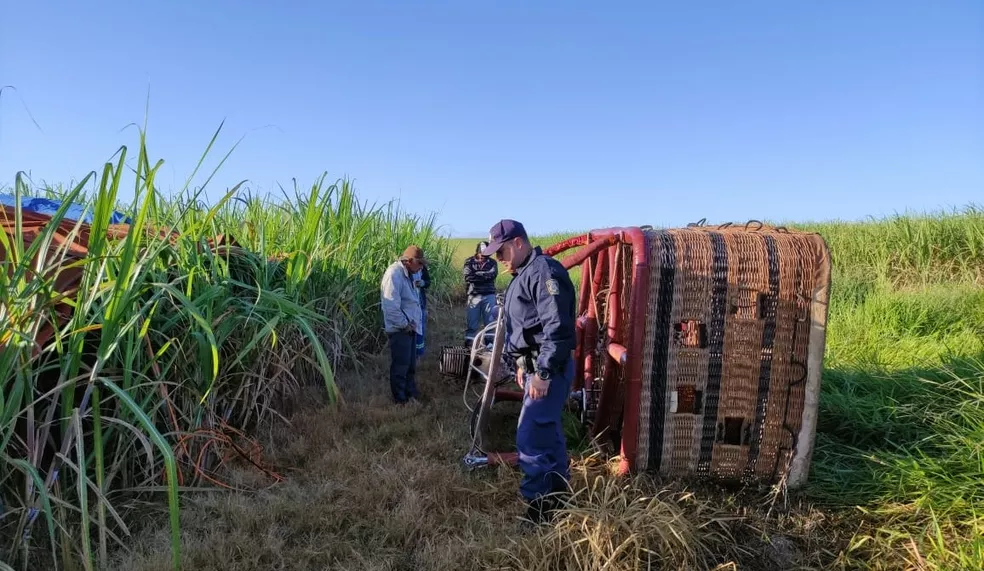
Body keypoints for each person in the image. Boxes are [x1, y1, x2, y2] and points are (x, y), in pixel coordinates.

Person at [481, 219, 577, 524]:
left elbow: (557, 328)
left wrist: (543, 373)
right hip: (536, 367)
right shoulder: (524, 274)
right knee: (547, 432)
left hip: (549, 369)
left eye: (502, 251)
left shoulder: (543, 273)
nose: (499, 259)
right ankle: (558, 496)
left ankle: (540, 509)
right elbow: (527, 328)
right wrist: (523, 366)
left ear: (519, 243)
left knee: (530, 436)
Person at [380, 245, 426, 404]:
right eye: (420, 263)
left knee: (411, 365)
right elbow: (390, 307)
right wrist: (405, 324)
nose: (421, 267)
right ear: (409, 261)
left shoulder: (411, 273)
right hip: (400, 329)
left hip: (411, 326)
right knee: (401, 366)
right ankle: (400, 400)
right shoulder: (393, 275)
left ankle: (411, 393)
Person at [462, 240, 498, 346]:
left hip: (489, 295)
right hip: (474, 296)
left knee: (490, 323)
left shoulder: (492, 262)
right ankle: (469, 344)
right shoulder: (469, 261)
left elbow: (492, 275)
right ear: (477, 252)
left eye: (486, 254)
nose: (483, 257)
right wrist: (485, 275)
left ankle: (490, 344)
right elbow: (468, 277)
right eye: (482, 254)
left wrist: (477, 274)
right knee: (472, 323)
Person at [412, 262, 431, 357]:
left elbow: (428, 281)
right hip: (410, 305)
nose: (420, 267)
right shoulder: (404, 271)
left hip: (420, 303)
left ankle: (418, 354)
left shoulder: (422, 268)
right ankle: (412, 353)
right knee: (411, 330)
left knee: (420, 328)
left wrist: (423, 283)